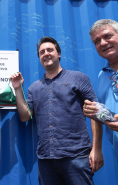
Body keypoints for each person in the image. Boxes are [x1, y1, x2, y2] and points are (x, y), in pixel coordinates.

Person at [10, 36, 97, 185]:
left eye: (50, 50)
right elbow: (25, 117)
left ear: (59, 54)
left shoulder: (79, 78)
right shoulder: (34, 88)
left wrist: (96, 149)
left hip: (76, 157)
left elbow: (96, 113)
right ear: (39, 57)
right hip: (46, 161)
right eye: (42, 52)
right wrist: (18, 89)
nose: (46, 54)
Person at [84, 19, 118, 168]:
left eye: (108, 36)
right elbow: (102, 112)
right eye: (97, 41)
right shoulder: (102, 76)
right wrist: (93, 111)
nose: (103, 43)